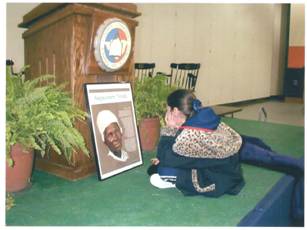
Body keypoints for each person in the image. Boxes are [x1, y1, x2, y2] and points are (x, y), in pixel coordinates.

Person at [148, 89, 303, 220]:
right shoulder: (203, 117)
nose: (166, 112)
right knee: (266, 154)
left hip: (217, 181)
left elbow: (168, 156)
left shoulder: (188, 136)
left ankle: (173, 181)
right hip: (231, 172)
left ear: (175, 111)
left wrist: (169, 128)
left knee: (159, 171)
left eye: (168, 109)